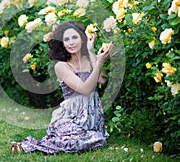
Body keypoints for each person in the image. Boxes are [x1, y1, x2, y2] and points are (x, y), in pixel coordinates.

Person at [10, 21, 113, 153]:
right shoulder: (62, 66)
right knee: (82, 140)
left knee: (95, 138)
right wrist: (98, 64)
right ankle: (31, 146)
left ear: (83, 39)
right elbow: (86, 89)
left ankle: (88, 136)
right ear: (62, 44)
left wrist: (91, 52)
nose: (71, 42)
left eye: (75, 37)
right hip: (71, 118)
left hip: (91, 117)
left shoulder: (88, 58)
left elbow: (101, 80)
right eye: (66, 39)